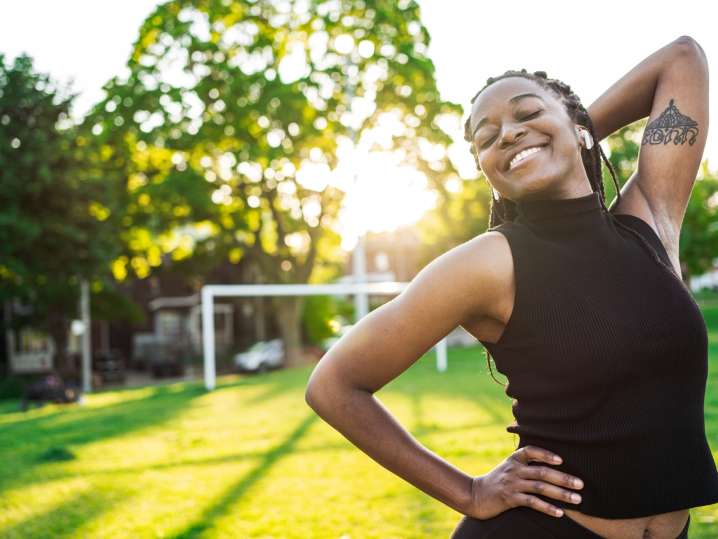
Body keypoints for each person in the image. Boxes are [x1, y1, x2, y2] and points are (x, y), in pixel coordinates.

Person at [305, 35, 717, 539]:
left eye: (525, 114)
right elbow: (333, 384)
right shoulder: (487, 262)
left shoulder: (650, 219)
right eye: (487, 137)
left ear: (581, 126)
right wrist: (469, 492)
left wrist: (563, 132)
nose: (507, 135)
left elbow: (682, 59)